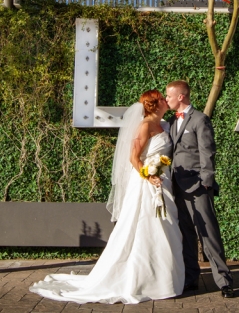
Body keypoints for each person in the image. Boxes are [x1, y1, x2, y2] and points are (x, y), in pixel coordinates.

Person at [29, 90, 184, 304]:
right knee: (144, 227)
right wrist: (148, 176)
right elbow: (133, 157)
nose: (166, 100)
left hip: (163, 182)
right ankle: (138, 280)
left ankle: (160, 278)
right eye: (161, 98)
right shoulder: (145, 126)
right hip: (145, 184)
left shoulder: (165, 125)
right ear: (155, 104)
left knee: (164, 227)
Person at [165, 80, 234, 298]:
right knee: (185, 235)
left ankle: (224, 281)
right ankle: (190, 279)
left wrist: (206, 181)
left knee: (208, 234)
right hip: (177, 187)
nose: (166, 100)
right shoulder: (170, 121)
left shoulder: (200, 119)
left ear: (181, 97)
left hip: (198, 186)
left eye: (169, 96)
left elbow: (208, 152)